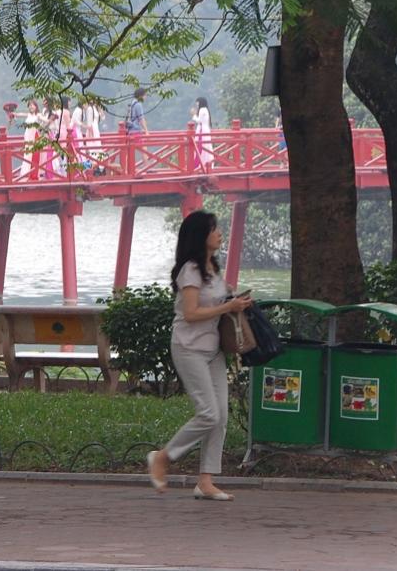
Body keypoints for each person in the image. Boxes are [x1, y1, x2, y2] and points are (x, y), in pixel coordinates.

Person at [147, 210, 252, 501]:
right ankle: (163, 457)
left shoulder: (213, 269)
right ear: (200, 236)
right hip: (188, 346)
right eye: (214, 229)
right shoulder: (190, 270)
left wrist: (237, 303)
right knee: (208, 413)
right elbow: (191, 313)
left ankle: (205, 481)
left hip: (213, 348)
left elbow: (219, 305)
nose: (219, 233)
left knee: (220, 416)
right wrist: (226, 309)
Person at [191, 97, 214, 171]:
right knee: (206, 147)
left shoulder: (201, 110)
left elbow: (199, 121)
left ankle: (201, 164)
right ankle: (208, 164)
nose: (197, 104)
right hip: (205, 129)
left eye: (197, 102)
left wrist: (194, 115)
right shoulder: (206, 110)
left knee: (201, 147)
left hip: (202, 131)